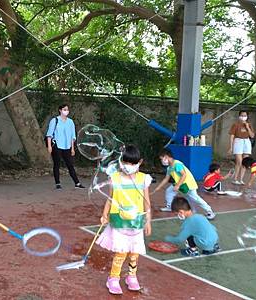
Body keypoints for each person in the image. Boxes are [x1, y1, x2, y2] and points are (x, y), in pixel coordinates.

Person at [96, 145, 152, 294]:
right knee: (121, 252)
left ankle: (131, 277)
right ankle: (113, 278)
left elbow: (146, 201)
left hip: (136, 222)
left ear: (140, 162)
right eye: (126, 163)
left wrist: (148, 220)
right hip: (119, 222)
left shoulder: (143, 179)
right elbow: (110, 199)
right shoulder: (115, 178)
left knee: (134, 253)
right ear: (121, 162)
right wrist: (104, 215)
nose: (129, 166)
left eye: (133, 163)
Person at [152, 149, 216, 220]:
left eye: (161, 159)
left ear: (166, 157)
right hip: (181, 185)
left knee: (195, 198)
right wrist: (158, 188)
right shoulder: (169, 168)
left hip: (188, 184)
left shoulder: (177, 164)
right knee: (169, 191)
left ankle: (210, 211)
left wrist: (178, 185)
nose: (162, 161)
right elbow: (166, 179)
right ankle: (170, 207)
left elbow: (184, 175)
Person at [46, 104, 84, 190]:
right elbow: (49, 134)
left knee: (70, 165)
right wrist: (49, 146)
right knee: (57, 164)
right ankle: (58, 183)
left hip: (67, 146)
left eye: (67, 109)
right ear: (60, 110)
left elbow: (72, 136)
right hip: (57, 145)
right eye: (64, 109)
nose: (66, 111)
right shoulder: (55, 120)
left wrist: (72, 148)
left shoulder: (70, 122)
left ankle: (77, 183)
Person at [228, 110, 255, 185]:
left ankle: (241, 179)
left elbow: (252, 136)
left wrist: (247, 127)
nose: (243, 117)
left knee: (245, 162)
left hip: (246, 141)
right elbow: (232, 136)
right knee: (239, 161)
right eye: (242, 115)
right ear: (239, 116)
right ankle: (235, 179)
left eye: (245, 115)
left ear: (247, 116)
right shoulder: (235, 124)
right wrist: (231, 147)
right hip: (238, 141)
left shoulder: (249, 124)